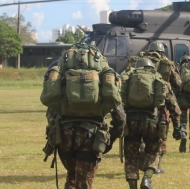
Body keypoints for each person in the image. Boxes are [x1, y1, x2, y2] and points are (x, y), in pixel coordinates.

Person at [41, 45, 126, 189]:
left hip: (64, 136)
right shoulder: (103, 80)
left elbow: (51, 112)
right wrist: (110, 139)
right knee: (84, 182)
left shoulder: (63, 78)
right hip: (91, 137)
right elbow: (120, 118)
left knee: (72, 176)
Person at [121, 57, 182, 189]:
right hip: (153, 122)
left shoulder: (129, 78)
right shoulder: (159, 79)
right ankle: (146, 180)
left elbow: (118, 101)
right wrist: (178, 127)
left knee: (131, 157)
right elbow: (174, 107)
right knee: (153, 153)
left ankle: (133, 186)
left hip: (131, 123)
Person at [139, 41, 182, 174]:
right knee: (161, 135)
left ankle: (141, 159)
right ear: (162, 51)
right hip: (161, 105)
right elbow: (178, 83)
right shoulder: (167, 63)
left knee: (139, 134)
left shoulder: (140, 60)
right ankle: (155, 165)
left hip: (139, 104)